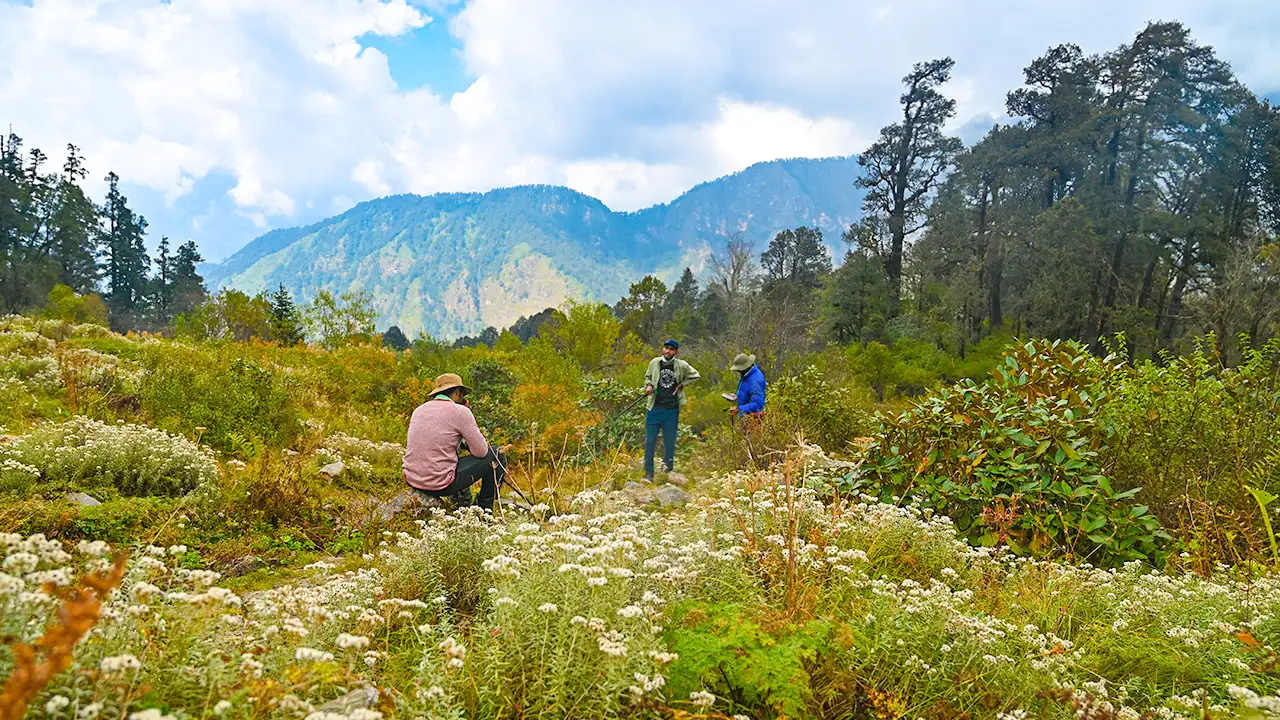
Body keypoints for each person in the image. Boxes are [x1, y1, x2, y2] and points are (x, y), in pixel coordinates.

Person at [403, 373, 507, 512]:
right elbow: (482, 452)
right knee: (497, 455)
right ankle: (484, 509)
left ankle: (460, 501)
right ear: (458, 392)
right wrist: (465, 413)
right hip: (440, 484)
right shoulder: (460, 411)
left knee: (450, 459)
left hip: (413, 480)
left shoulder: (419, 410)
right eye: (462, 394)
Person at [643, 339, 700, 481]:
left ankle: (668, 471)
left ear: (676, 351)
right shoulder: (654, 363)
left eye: (671, 349)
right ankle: (648, 473)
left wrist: (682, 384)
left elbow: (695, 375)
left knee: (669, 441)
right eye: (666, 348)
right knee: (650, 441)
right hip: (654, 408)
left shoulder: (681, 365)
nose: (667, 351)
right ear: (663, 349)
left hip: (672, 409)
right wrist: (649, 385)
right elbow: (648, 377)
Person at [730, 352, 766, 418]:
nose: (738, 371)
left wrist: (739, 409)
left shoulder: (755, 381)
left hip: (753, 420)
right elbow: (748, 394)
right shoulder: (747, 375)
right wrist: (736, 397)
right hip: (746, 417)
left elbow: (758, 404)